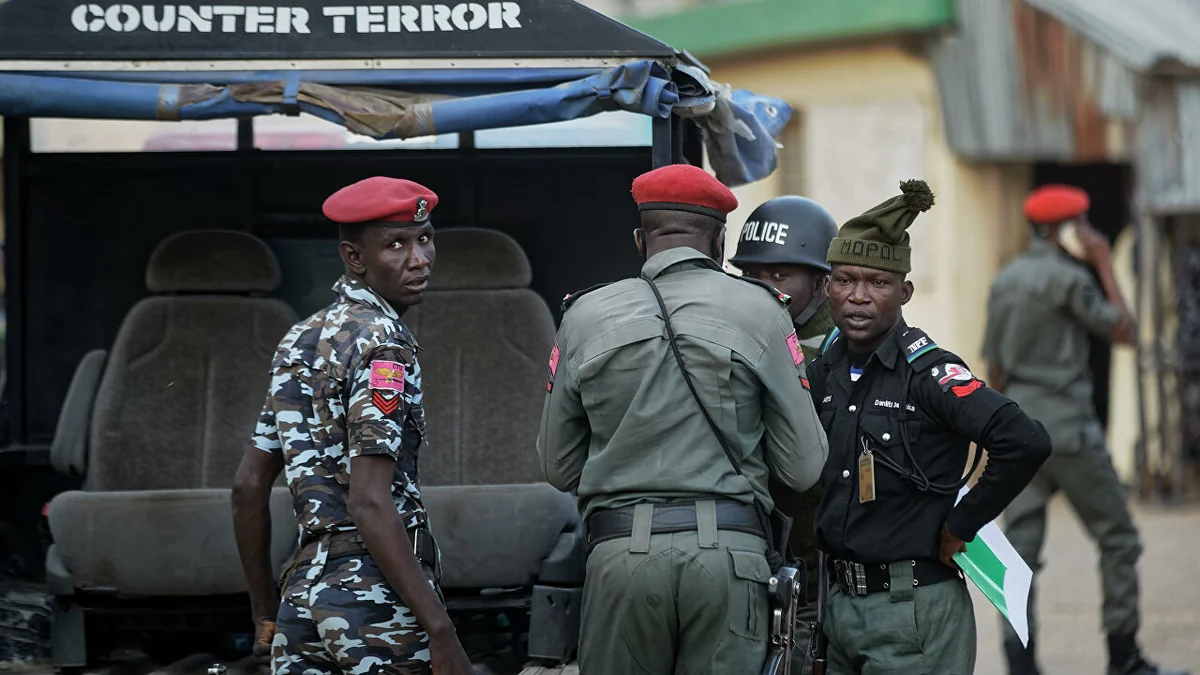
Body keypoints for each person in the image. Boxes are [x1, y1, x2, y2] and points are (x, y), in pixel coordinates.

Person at [536, 163, 829, 675]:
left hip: (619, 558)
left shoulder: (582, 315)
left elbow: (557, 468)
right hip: (731, 559)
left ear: (639, 239)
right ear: (719, 242)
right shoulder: (763, 311)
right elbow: (803, 468)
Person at [230, 176, 474, 675]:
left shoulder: (299, 338)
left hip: (302, 598)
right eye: (396, 244)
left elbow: (247, 487)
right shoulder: (383, 343)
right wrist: (441, 631)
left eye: (425, 238)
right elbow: (368, 500)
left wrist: (264, 613)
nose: (419, 259)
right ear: (354, 257)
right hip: (375, 599)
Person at [808, 179, 1052, 675]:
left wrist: (962, 526)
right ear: (826, 287)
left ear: (905, 292)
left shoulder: (929, 374)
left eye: (878, 283)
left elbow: (1024, 440)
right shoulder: (823, 371)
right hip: (839, 609)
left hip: (912, 611)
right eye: (845, 280)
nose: (858, 297)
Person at [983, 184, 1189, 675]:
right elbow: (1125, 331)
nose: (1092, 233)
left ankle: (1021, 665)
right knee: (1118, 538)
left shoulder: (1005, 279)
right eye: (1085, 225)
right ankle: (1124, 658)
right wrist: (1103, 261)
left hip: (1019, 432)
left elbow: (995, 369)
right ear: (1066, 231)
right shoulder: (1070, 278)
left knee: (1018, 555)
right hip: (1069, 431)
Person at [728, 195, 840, 674]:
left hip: (820, 568)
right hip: (761, 559)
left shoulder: (841, 346)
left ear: (820, 283)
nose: (762, 289)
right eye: (751, 275)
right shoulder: (735, 333)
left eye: (779, 276)